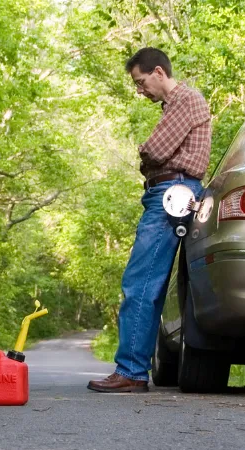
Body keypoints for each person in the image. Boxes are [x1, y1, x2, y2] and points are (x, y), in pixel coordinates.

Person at [88, 47, 212, 393]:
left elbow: (154, 150)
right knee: (149, 283)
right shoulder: (174, 106)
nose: (140, 90)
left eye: (141, 83)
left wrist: (146, 151)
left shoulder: (185, 99)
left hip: (171, 193)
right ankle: (133, 368)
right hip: (168, 192)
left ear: (159, 72)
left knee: (140, 282)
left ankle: (130, 371)